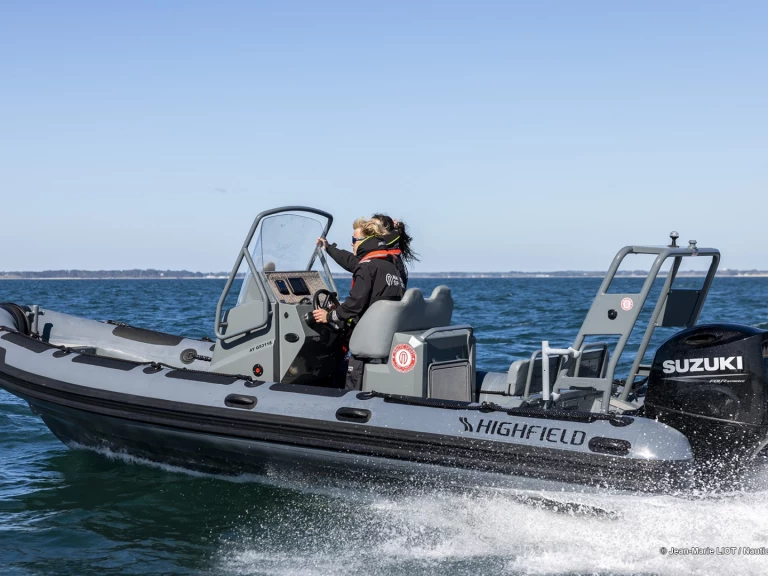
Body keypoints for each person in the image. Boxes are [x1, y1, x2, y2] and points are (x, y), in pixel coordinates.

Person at [313, 217, 405, 389]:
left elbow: (356, 303)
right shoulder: (390, 265)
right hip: (383, 336)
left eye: (354, 240)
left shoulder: (367, 267)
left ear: (365, 241)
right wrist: (329, 248)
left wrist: (330, 315)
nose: (351, 244)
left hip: (366, 340)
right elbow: (370, 298)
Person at [317, 213, 417, 288]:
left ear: (384, 231)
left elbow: (353, 262)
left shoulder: (381, 259)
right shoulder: (392, 255)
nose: (368, 227)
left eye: (372, 225)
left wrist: (329, 248)